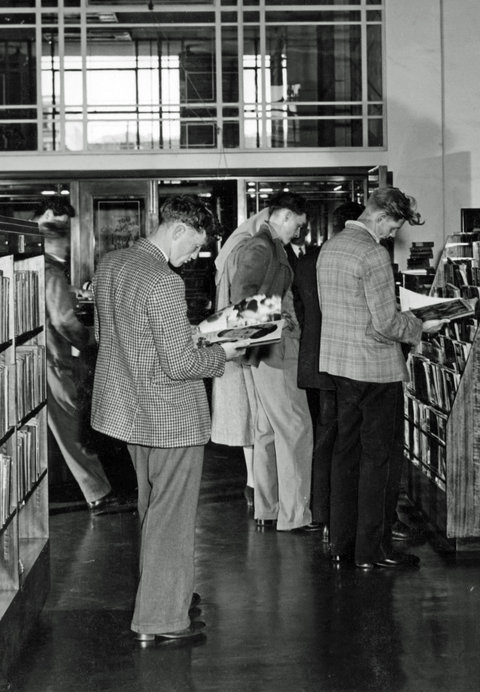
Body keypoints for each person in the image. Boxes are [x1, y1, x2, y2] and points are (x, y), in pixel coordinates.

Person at [90, 196, 246, 643]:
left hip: (129, 411)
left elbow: (110, 336)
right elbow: (179, 365)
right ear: (177, 230)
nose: (193, 257)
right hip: (170, 415)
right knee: (172, 517)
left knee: (152, 510)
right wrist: (223, 353)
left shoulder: (112, 264)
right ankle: (161, 619)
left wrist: (195, 332)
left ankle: (169, 595)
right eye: (195, 246)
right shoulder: (164, 280)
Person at [316, 186, 441, 569]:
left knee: (345, 455)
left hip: (339, 365)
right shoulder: (373, 253)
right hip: (374, 370)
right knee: (378, 461)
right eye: (394, 226)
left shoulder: (331, 246)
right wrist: (422, 325)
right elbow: (386, 323)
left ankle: (341, 544)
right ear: (382, 216)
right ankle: (373, 552)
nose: (392, 235)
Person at [227, 192, 317, 532]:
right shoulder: (262, 246)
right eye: (298, 223)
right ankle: (294, 516)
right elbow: (241, 298)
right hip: (277, 351)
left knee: (267, 431)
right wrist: (281, 319)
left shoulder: (266, 245)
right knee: (296, 430)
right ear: (284, 215)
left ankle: (269, 508)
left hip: (265, 351)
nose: (300, 230)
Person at [33, 197, 128, 515]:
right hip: (54, 362)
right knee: (72, 427)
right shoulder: (51, 272)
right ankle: (98, 493)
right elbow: (62, 320)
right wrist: (88, 341)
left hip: (34, 359)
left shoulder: (30, 264)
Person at [291, 201, 364, 539]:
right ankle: (342, 514)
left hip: (313, 359)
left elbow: (302, 313)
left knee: (324, 433)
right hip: (346, 360)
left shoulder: (306, 261)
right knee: (347, 436)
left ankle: (319, 511)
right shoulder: (352, 259)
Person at [210, 207, 271, 510]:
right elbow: (249, 304)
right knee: (257, 416)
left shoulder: (233, 248)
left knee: (247, 420)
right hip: (247, 348)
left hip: (234, 347)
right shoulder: (252, 250)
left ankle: (252, 482)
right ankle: (256, 484)